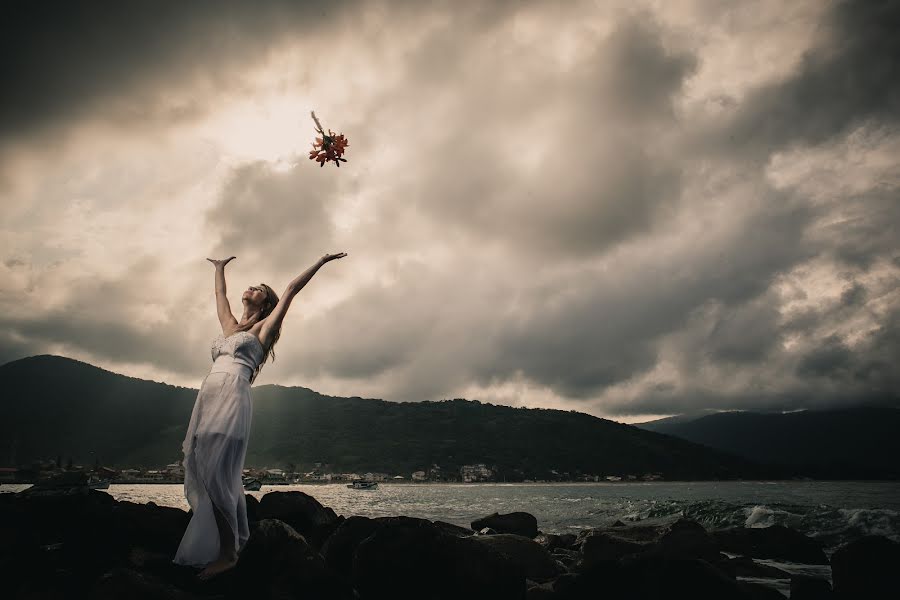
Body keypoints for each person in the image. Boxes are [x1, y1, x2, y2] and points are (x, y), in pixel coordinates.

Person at [173, 251, 347, 579]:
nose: (251, 288)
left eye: (259, 289)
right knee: (200, 463)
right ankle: (219, 541)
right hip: (208, 394)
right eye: (251, 286)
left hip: (233, 395)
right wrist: (220, 268)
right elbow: (219, 295)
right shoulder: (229, 327)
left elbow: (292, 288)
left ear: (266, 303)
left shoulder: (264, 329)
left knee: (217, 472)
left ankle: (228, 554)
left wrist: (321, 261)